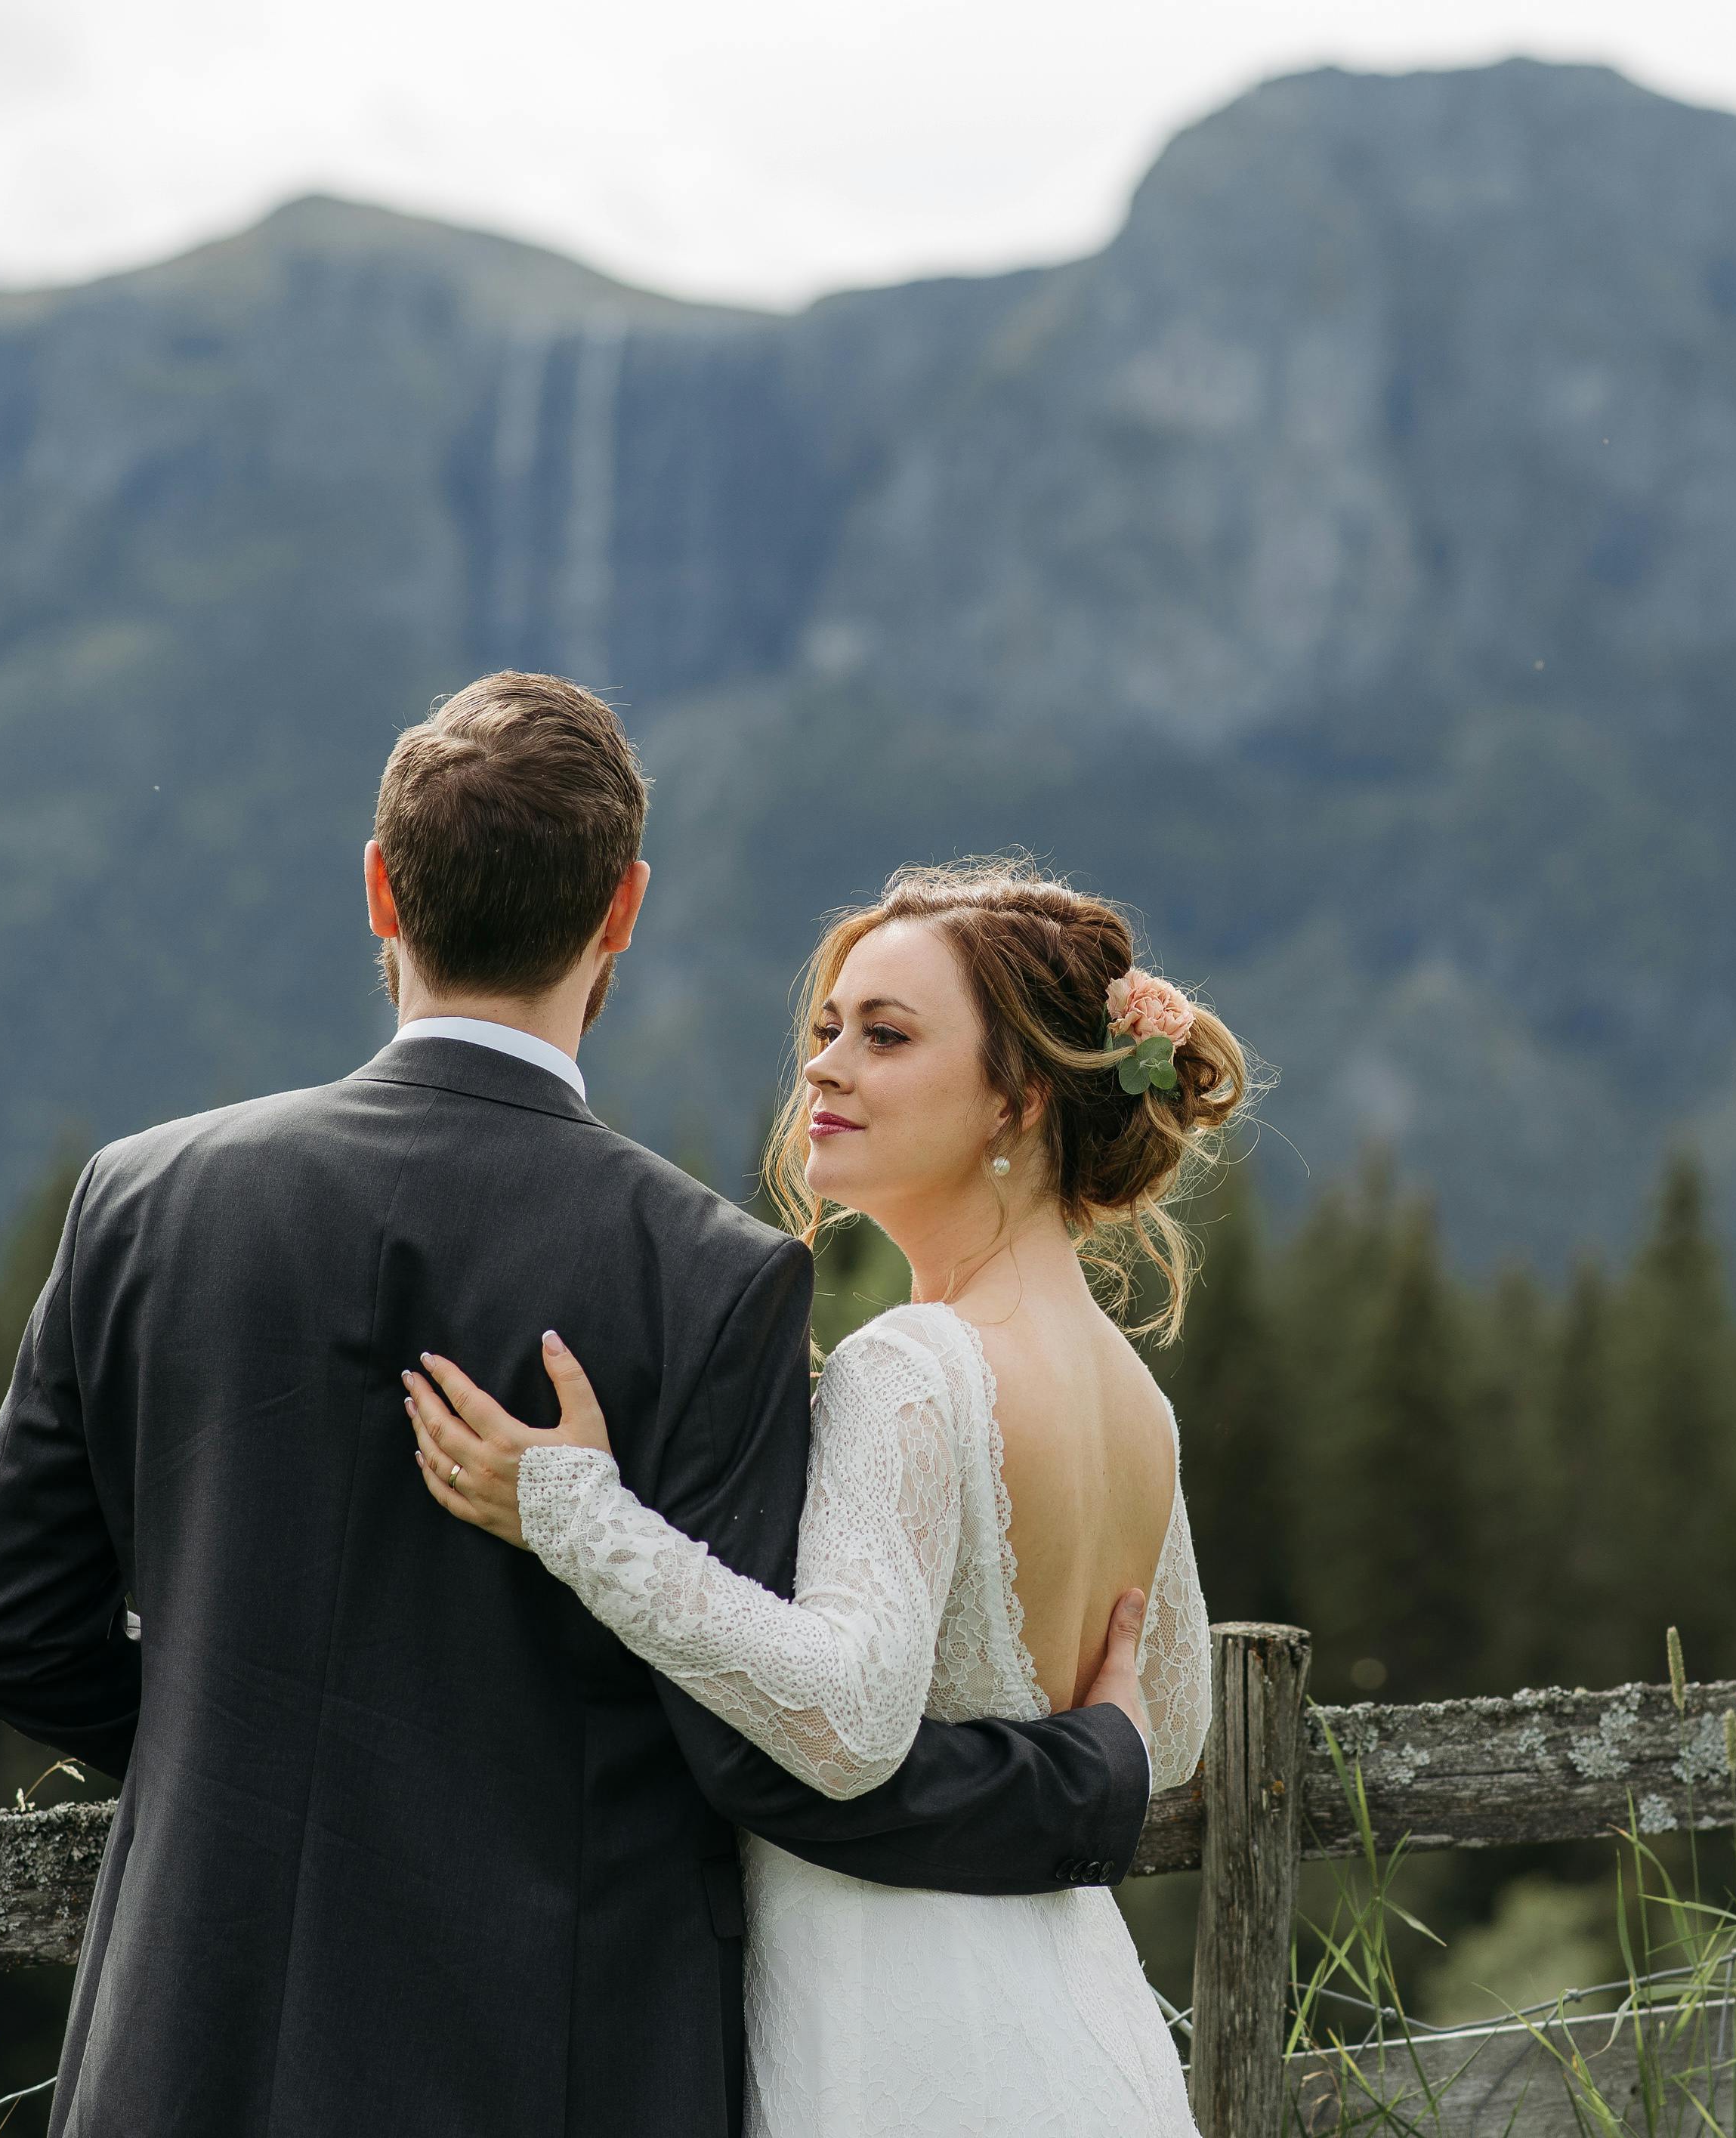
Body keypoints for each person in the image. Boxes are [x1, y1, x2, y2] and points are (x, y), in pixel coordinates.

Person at [0, 674, 1154, 2138]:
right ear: (622, 907)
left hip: (189, 2035)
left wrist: (251, 1750)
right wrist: (1090, 1771)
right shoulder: (708, 1277)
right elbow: (758, 1750)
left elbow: (10, 1633)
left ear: (382, 888)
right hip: (555, 2054)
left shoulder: (142, 1198)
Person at [406, 857, 1253, 2137]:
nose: (826, 1065)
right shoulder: (1139, 1399)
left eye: (887, 1035)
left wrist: (578, 1517)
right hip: (1075, 2014)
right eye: (825, 1029)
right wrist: (1096, 1744)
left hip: (900, 2030)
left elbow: (850, 1716)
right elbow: (1171, 1727)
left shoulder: (910, 1367)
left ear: (1015, 1099)